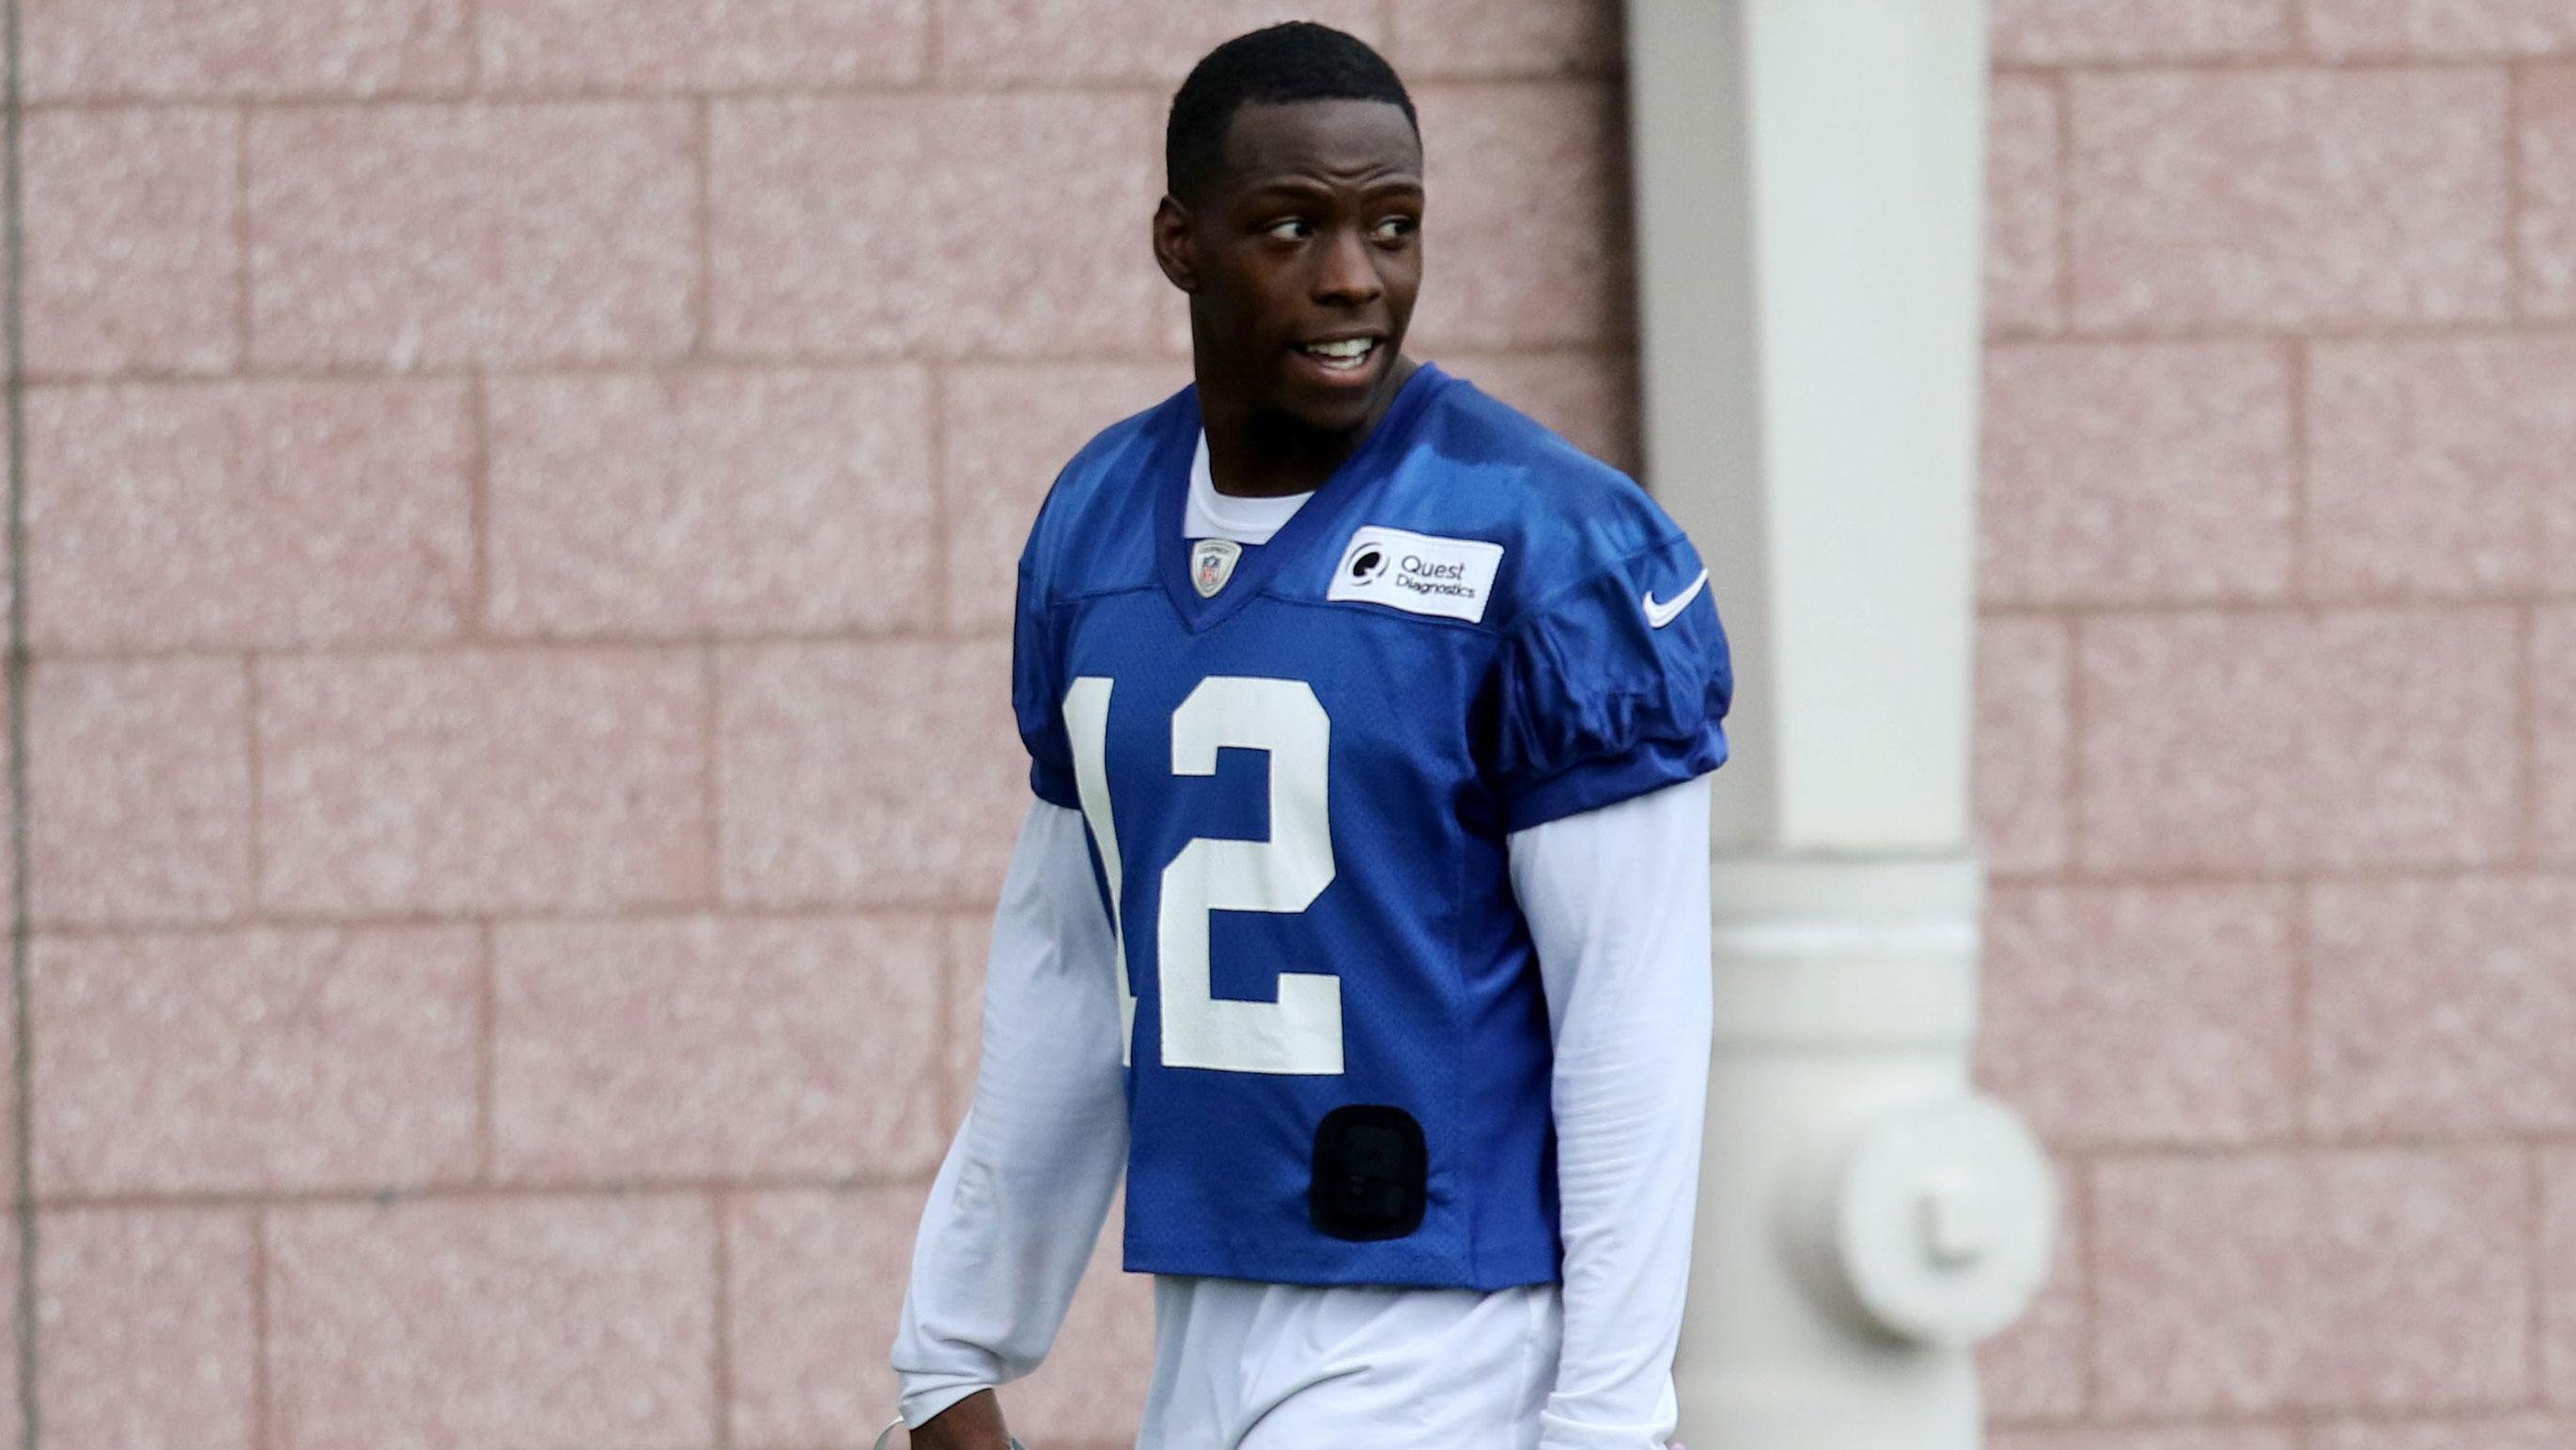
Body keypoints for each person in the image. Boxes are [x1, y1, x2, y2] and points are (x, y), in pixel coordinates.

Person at [887, 22, 1729, 1450]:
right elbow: (1067, 963)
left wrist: (1606, 1417)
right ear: (1181, 242)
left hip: (1449, 1335)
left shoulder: (1548, 543)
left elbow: (1633, 1019)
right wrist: (952, 1348)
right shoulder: (1098, 518)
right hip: (1205, 1321)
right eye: (1292, 226)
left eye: (1391, 226)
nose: (1354, 276)